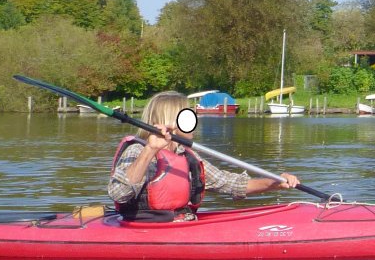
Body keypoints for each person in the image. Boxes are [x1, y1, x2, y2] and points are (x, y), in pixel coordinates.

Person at [109, 91, 299, 220]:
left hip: (181, 224)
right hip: (145, 229)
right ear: (170, 120)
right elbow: (119, 194)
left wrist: (275, 183)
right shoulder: (137, 151)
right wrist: (150, 150)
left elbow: (229, 183)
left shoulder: (187, 156)